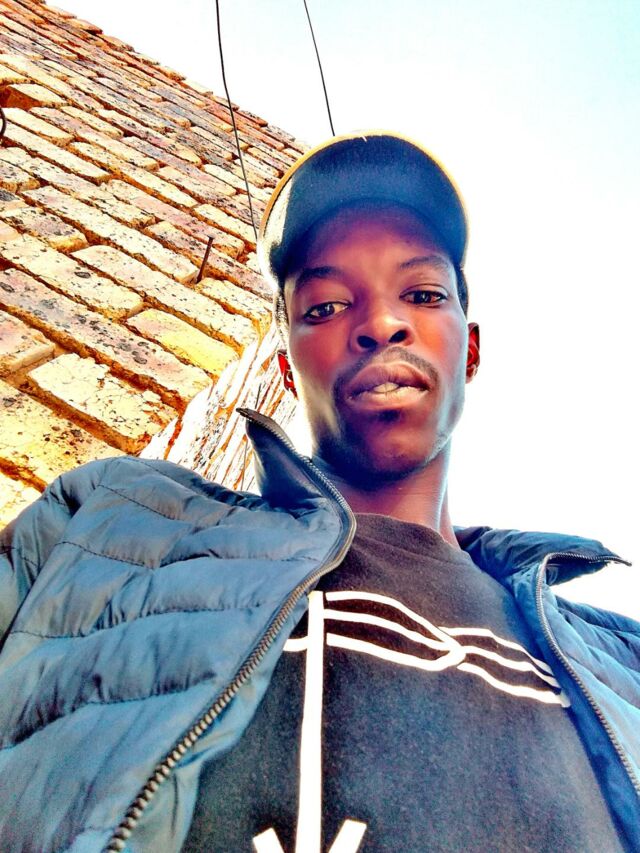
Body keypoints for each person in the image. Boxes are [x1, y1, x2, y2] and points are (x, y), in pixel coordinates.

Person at [0, 132, 637, 853]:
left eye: (423, 295)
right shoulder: (110, 523)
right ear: (285, 367)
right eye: (327, 306)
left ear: (471, 349)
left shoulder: (624, 663)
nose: (381, 323)